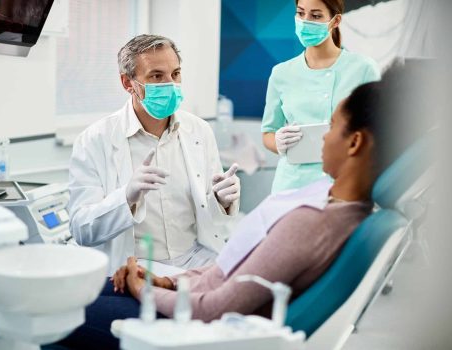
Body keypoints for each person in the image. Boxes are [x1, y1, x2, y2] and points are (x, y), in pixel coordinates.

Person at [52, 62, 426, 350]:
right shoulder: (337, 210)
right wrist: (161, 278)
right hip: (185, 287)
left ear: (356, 143)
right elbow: (226, 274)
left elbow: (211, 310)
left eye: (332, 126)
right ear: (128, 82)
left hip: (195, 329)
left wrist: (141, 288)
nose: (323, 138)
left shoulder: (312, 223)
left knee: (47, 312)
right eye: (157, 75)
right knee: (83, 289)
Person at [68, 34, 241, 274]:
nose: (170, 84)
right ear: (128, 83)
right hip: (136, 269)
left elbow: (210, 219)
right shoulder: (94, 140)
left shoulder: (199, 130)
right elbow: (81, 230)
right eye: (157, 76)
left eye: (176, 74)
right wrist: (126, 198)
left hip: (195, 260)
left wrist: (221, 202)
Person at [261, 0, 380, 193]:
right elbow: (268, 133)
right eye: (300, 13)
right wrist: (278, 142)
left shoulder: (363, 69)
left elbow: (379, 132)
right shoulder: (281, 73)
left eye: (316, 16)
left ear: (335, 21)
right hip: (292, 187)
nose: (305, 21)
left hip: (344, 184)